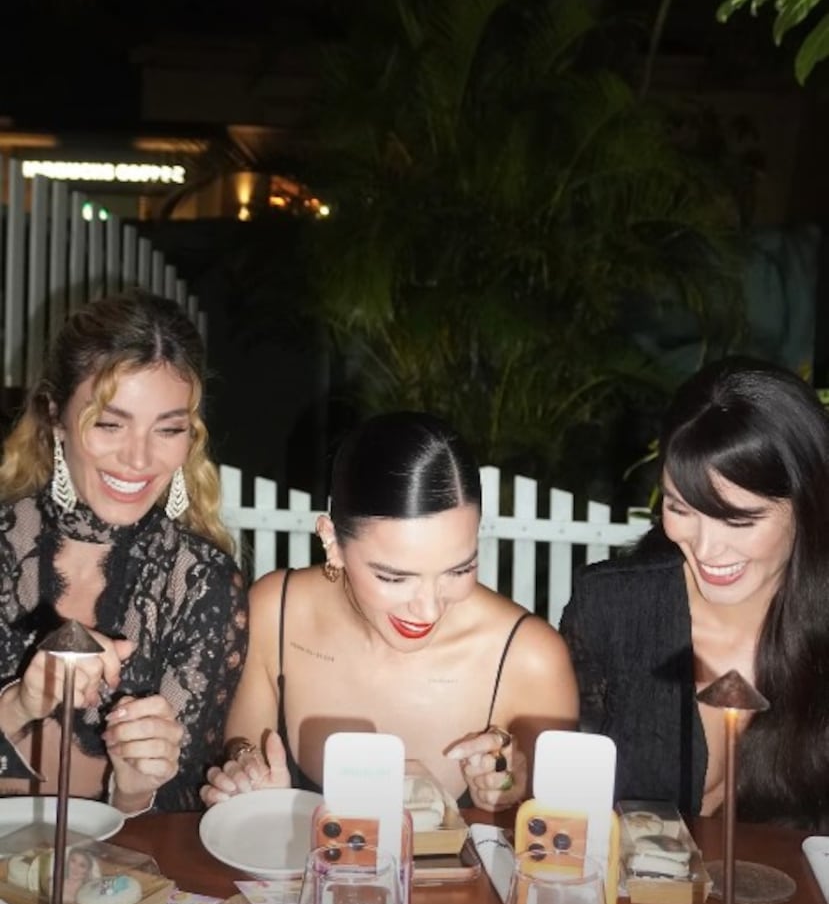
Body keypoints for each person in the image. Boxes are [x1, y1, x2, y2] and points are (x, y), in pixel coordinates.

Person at [201, 411, 577, 812]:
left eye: (459, 570)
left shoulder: (529, 658)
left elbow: (567, 830)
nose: (428, 608)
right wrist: (247, 780)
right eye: (395, 577)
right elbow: (241, 764)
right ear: (332, 541)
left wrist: (515, 791)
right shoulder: (275, 613)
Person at [0, 289, 248, 814]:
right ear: (55, 416)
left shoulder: (202, 583)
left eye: (169, 429)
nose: (138, 459)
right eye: (109, 423)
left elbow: (175, 815)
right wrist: (18, 704)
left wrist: (135, 789)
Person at [560, 356, 829, 831]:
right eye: (681, 508)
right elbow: (561, 784)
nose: (705, 549)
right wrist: (512, 773)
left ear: (808, 504)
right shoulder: (611, 607)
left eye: (738, 520)